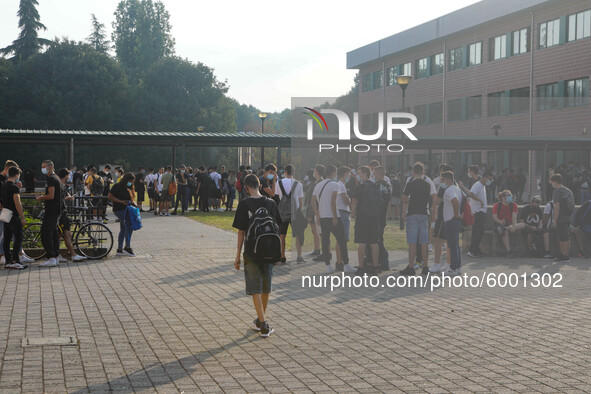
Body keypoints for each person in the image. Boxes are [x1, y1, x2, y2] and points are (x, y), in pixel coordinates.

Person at [232, 174, 281, 338]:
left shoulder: (244, 204)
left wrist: (237, 255)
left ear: (246, 187)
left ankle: (264, 325)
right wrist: (278, 254)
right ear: (260, 185)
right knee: (266, 288)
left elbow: (241, 232)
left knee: (255, 289)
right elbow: (277, 229)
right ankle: (260, 321)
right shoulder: (271, 203)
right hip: (269, 251)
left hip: (251, 252)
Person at [312, 165, 354, 274]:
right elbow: (332, 202)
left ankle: (328, 265)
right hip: (333, 216)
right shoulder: (335, 185)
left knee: (325, 241)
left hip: (322, 217)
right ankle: (346, 264)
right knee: (342, 240)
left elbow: (312, 201)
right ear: (334, 173)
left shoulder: (318, 185)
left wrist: (317, 214)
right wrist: (335, 217)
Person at [400, 163, 435, 276]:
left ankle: (411, 267)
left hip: (413, 213)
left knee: (412, 242)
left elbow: (404, 198)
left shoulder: (410, 183)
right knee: (424, 241)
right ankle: (425, 266)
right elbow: (431, 197)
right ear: (423, 172)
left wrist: (410, 202)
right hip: (424, 213)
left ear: (413, 172)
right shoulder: (427, 184)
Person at [352, 166, 380, 276]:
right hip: (374, 217)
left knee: (362, 243)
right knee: (374, 242)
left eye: (359, 173)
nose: (358, 176)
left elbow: (354, 200)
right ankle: (375, 266)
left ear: (364, 174)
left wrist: (353, 213)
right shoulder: (376, 186)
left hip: (362, 217)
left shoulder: (361, 187)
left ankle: (361, 267)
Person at [458, 167, 493, 258]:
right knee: (478, 232)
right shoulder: (478, 185)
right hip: (478, 212)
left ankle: (476, 249)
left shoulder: (482, 186)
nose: (490, 181)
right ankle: (473, 250)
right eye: (489, 179)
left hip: (480, 211)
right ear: (484, 177)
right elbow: (471, 194)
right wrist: (480, 201)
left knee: (477, 231)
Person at [275, 164, 305, 264]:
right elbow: (300, 201)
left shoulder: (278, 183)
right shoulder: (298, 184)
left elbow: (278, 197)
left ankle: (282, 256)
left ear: (285, 172)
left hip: (282, 212)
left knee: (282, 235)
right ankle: (299, 256)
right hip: (295, 212)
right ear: (294, 172)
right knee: (297, 234)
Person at [56, 168, 87, 262]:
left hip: (62, 213)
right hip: (61, 213)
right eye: (68, 175)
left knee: (65, 234)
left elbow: (64, 195)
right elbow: (60, 198)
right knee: (64, 234)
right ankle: (71, 254)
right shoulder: (59, 185)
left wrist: (68, 197)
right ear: (66, 176)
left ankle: (63, 254)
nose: (69, 177)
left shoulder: (62, 185)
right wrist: (67, 198)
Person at [1, 166, 28, 269]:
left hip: (5, 214)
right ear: (17, 175)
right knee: (19, 237)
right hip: (14, 215)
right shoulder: (14, 187)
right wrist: (22, 217)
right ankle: (15, 259)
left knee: (7, 238)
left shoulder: (4, 186)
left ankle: (8, 261)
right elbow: (18, 203)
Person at [36, 160, 62, 267]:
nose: (42, 168)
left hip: (51, 211)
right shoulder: (57, 178)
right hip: (57, 210)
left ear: (50, 167)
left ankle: (51, 257)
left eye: (44, 166)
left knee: (46, 234)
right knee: (54, 234)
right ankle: (55, 256)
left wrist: (41, 198)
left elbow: (51, 195)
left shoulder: (51, 179)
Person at [108, 173, 137, 257]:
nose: (131, 183)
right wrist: (120, 201)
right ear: (126, 180)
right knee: (129, 227)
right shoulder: (117, 186)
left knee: (123, 228)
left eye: (132, 182)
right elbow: (109, 196)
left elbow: (131, 199)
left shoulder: (130, 187)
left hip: (128, 209)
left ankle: (119, 249)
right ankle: (127, 247)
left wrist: (135, 205)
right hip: (119, 209)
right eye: (130, 181)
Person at [440, 171, 463, 276]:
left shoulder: (449, 190)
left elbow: (455, 201)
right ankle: (458, 267)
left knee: (452, 245)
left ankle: (453, 268)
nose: (441, 182)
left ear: (449, 179)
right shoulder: (457, 189)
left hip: (451, 220)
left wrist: (455, 214)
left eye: (443, 179)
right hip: (456, 221)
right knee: (456, 245)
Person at [551, 174, 575, 263]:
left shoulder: (557, 192)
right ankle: (564, 254)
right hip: (569, 216)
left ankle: (565, 255)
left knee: (563, 236)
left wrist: (555, 220)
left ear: (555, 181)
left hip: (561, 217)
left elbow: (557, 207)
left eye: (552, 182)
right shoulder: (568, 191)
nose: (551, 184)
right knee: (565, 235)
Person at [374, 167, 392, 271]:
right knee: (380, 238)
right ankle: (383, 262)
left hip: (377, 216)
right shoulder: (388, 186)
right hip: (383, 215)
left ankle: (383, 261)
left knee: (377, 240)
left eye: (374, 173)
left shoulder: (377, 185)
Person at [335, 166, 352, 269]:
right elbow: (346, 199)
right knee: (343, 239)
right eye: (349, 174)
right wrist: (352, 204)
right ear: (344, 174)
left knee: (340, 239)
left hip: (341, 212)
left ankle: (339, 261)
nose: (349, 176)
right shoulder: (341, 185)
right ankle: (340, 261)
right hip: (343, 213)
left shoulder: (340, 185)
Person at [304, 167, 322, 258]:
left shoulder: (315, 185)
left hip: (314, 212)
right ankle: (316, 248)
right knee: (314, 231)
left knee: (316, 232)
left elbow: (312, 201)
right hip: (313, 212)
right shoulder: (312, 184)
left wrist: (310, 215)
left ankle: (317, 249)